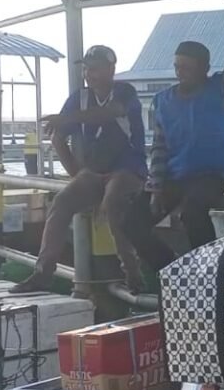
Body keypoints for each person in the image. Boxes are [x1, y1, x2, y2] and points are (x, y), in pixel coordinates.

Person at [12, 46, 149, 293]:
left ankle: (132, 273)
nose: (88, 74)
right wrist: (78, 175)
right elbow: (57, 138)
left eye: (94, 68)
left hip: (128, 169)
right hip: (94, 172)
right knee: (61, 202)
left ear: (111, 69)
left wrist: (66, 119)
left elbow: (110, 112)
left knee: (113, 201)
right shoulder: (80, 98)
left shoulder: (125, 92)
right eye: (86, 69)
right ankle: (43, 272)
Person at [148, 0, 224, 253]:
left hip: (209, 176)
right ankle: (164, 268)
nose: (180, 72)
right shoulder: (163, 101)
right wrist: (155, 188)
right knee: (131, 219)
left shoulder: (221, 88)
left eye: (187, 67)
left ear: (204, 68)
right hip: (174, 178)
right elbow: (159, 148)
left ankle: (207, 268)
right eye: (177, 67)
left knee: (192, 212)